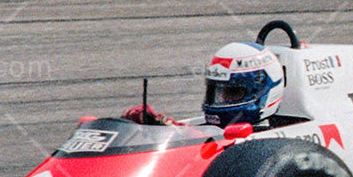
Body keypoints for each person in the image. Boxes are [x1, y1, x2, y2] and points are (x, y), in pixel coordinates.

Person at [122, 41, 285, 128]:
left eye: (232, 93)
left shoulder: (266, 143)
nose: (221, 100)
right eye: (217, 93)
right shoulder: (209, 132)